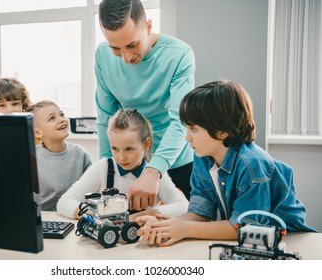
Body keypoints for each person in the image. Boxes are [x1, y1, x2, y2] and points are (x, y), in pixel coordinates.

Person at [136, 80, 317, 247]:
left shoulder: (253, 166)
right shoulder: (202, 158)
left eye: (193, 129)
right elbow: (200, 214)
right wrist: (165, 224)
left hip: (291, 240)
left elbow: (243, 228)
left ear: (222, 131)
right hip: (252, 241)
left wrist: (184, 229)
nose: (187, 137)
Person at [95, 0, 196, 210]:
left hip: (175, 162)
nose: (125, 58)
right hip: (129, 161)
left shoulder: (179, 55)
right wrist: (109, 168)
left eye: (132, 45)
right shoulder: (101, 55)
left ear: (148, 27)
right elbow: (106, 118)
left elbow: (180, 121)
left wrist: (153, 170)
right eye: (115, 48)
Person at [57, 108, 188, 219]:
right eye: (115, 148)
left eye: (129, 149)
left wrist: (150, 214)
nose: (121, 157)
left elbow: (183, 206)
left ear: (146, 144)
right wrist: (91, 214)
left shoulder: (154, 174)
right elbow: (64, 202)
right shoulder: (102, 167)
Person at [27, 100, 92, 211]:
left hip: (74, 215)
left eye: (61, 114)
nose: (62, 119)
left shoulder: (81, 154)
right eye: (52, 118)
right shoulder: (31, 159)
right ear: (38, 133)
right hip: (43, 219)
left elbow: (91, 191)